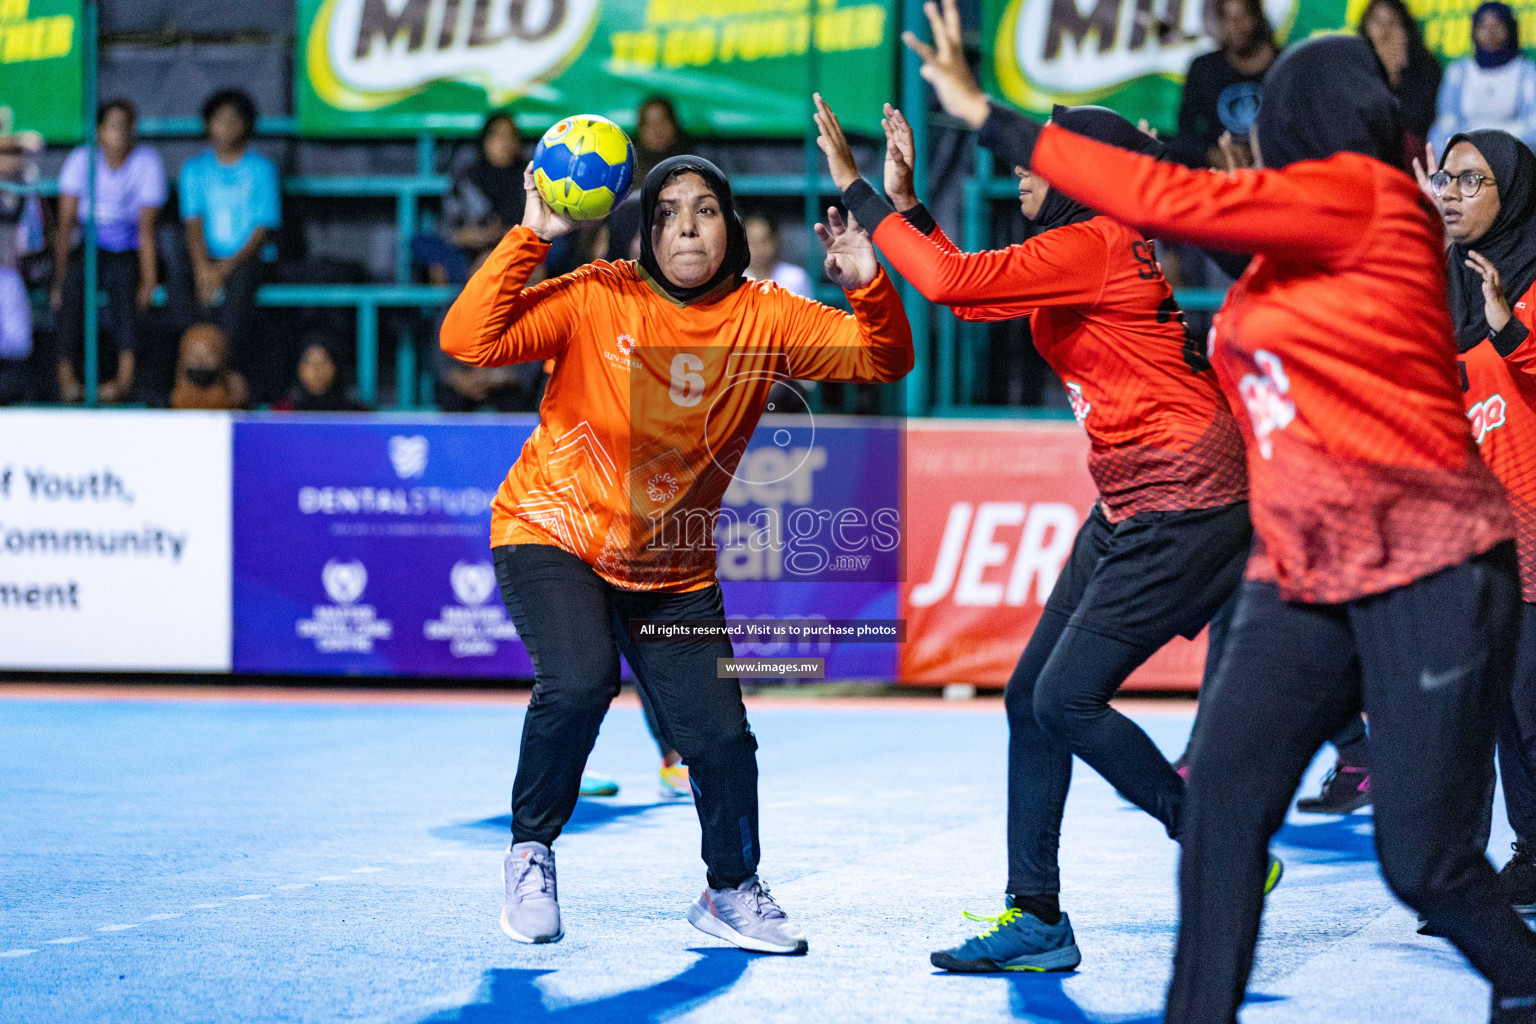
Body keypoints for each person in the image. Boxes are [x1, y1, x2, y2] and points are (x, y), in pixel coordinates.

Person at [906, 13, 1536, 1019]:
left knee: (1423, 864)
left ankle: (1523, 976)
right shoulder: (1293, 245)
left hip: (1430, 564)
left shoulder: (1376, 199)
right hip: (1300, 564)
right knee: (1221, 814)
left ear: (1311, 118)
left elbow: (1166, 195)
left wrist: (993, 118)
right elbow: (1198, 217)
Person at [816, 93, 1260, 972]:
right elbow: (978, 298)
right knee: (1031, 700)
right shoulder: (1081, 241)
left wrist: (859, 192)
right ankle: (1040, 919)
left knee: (1064, 700)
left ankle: (1213, 833)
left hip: (1185, 496)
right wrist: (907, 207)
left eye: (1037, 157)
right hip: (1137, 494)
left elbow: (948, 285)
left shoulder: (1089, 242)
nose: (1019, 167)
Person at [438, 154, 912, 952]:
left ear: (732, 227)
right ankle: (531, 852)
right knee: (582, 680)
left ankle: (729, 889)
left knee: (721, 739)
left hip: (670, 569)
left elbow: (883, 359)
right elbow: (467, 339)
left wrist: (868, 283)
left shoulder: (769, 315)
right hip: (555, 528)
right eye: (665, 213)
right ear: (645, 235)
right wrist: (531, 235)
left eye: (705, 209)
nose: (686, 224)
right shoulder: (595, 295)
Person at [1426, 129, 1536, 914]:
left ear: (1513, 192)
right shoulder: (1442, 287)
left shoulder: (1526, 283)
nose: (1453, 193)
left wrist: (1510, 330)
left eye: (1471, 179)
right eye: (1446, 178)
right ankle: (1529, 855)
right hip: (1478, 539)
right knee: (1499, 717)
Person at [52, 99, 165, 404]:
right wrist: (57, 281)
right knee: (73, 287)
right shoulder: (80, 160)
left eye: (127, 127)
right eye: (113, 126)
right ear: (100, 131)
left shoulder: (146, 162)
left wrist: (149, 279)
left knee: (125, 287)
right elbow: (65, 225)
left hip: (126, 249)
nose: (121, 134)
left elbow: (146, 229)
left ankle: (123, 380)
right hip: (88, 247)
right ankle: (67, 379)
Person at [172, 89, 281, 400]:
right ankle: (191, 367)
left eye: (234, 120)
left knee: (242, 280)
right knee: (180, 276)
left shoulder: (262, 170)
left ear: (246, 125)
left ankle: (224, 369)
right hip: (205, 258)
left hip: (246, 258)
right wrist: (203, 268)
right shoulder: (194, 169)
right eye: (219, 120)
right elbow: (192, 223)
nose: (227, 126)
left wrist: (222, 271)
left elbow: (261, 230)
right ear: (208, 125)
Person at [1166, 0, 1278, 170]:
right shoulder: (1204, 69)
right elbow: (1185, 134)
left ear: (1257, 16)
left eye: (1243, 16)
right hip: (1219, 179)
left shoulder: (1284, 66)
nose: (1235, 26)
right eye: (1227, 18)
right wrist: (1212, 155)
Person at [1431, 2, 1536, 154]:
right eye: (1483, 26)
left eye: (1497, 25)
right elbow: (1446, 124)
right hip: (1466, 154)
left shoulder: (1526, 72)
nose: (1490, 32)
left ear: (1509, 29)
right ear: (1474, 30)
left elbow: (1532, 128)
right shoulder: (1458, 72)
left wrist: (1491, 143)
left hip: (1512, 154)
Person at [442, 111, 526, 268]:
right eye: (498, 135)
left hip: (520, 252)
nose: (505, 142)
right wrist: (479, 235)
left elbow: (540, 230)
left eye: (510, 136)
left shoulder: (530, 180)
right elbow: (450, 231)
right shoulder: (467, 181)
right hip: (471, 254)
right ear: (485, 141)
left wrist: (507, 234)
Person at [1359, 0, 1443, 158]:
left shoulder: (1424, 66)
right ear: (1366, 26)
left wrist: (1396, 74)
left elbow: (1420, 121)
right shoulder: (1355, 65)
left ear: (1405, 30)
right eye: (1377, 21)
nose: (1384, 31)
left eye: (1392, 22)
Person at [0, 129, 42, 405]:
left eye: (17, 155)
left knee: (16, 340)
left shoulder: (26, 194)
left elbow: (32, 244)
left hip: (12, 274)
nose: (12, 160)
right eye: (6, 154)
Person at [169, 323, 248, 410]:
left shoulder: (234, 393)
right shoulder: (175, 392)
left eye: (208, 356)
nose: (200, 363)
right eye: (194, 357)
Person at [273, 337, 364, 412]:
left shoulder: (355, 412)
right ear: (297, 368)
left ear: (336, 366)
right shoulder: (283, 412)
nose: (317, 369)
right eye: (308, 362)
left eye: (324, 361)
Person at [744, 215, 813, 298]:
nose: (757, 249)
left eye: (763, 241)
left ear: (775, 241)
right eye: (751, 242)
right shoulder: (735, 283)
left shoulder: (796, 279)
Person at [634, 96, 688, 181]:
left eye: (661, 121)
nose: (656, 130)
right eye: (649, 124)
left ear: (674, 124)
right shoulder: (629, 172)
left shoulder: (695, 164)